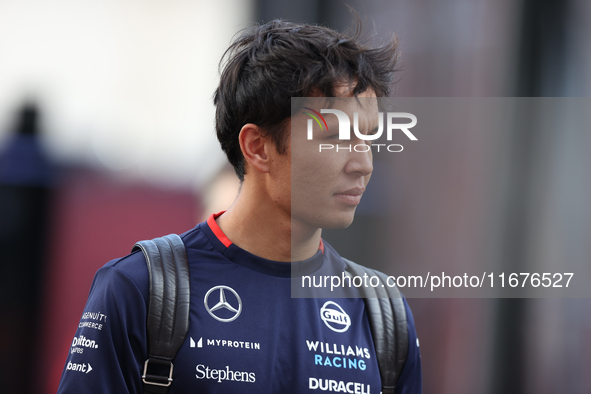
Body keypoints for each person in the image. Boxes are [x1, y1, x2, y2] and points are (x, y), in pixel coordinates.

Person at [57, 19, 422, 393]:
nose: (363, 164)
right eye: (335, 137)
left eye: (368, 138)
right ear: (257, 147)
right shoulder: (140, 287)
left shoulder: (384, 314)